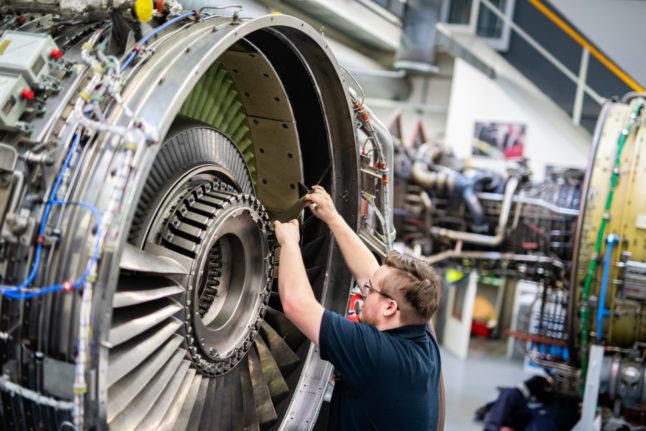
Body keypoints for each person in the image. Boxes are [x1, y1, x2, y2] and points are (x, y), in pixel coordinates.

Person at [273, 185, 443, 431]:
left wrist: (289, 243)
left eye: (370, 290)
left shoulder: (377, 355)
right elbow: (368, 272)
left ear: (389, 308)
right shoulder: (418, 329)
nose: (363, 291)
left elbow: (296, 304)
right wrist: (333, 217)